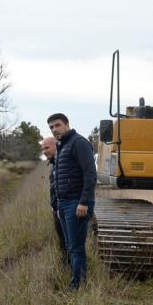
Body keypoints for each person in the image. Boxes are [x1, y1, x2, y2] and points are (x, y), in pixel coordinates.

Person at [47, 113, 96, 289]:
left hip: (76, 203)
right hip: (64, 204)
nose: (54, 129)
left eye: (57, 125)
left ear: (67, 124)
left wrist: (83, 202)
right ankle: (75, 279)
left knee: (76, 248)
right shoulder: (62, 146)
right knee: (69, 245)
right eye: (51, 127)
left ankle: (78, 285)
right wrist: (58, 205)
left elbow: (90, 175)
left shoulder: (79, 143)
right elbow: (59, 178)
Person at [41, 136, 68, 265]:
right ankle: (65, 265)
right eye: (42, 149)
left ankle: (75, 273)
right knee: (62, 241)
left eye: (47, 147)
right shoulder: (53, 163)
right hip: (57, 208)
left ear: (56, 145)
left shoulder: (63, 162)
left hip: (64, 208)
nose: (44, 151)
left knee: (69, 242)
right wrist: (54, 207)